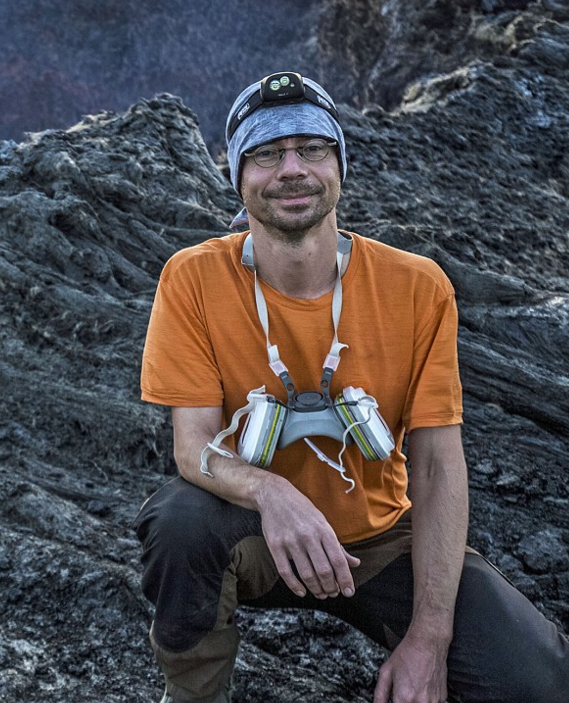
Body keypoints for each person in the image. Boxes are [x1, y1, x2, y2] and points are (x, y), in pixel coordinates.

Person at [133, 71, 569, 703]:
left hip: (381, 541)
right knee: (180, 523)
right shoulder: (193, 279)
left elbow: (439, 467)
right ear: (237, 174)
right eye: (264, 154)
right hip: (253, 535)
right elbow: (193, 446)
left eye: (312, 148)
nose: (292, 169)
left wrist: (428, 638)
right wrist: (271, 493)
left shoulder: (417, 287)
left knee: (539, 682)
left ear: (340, 163)